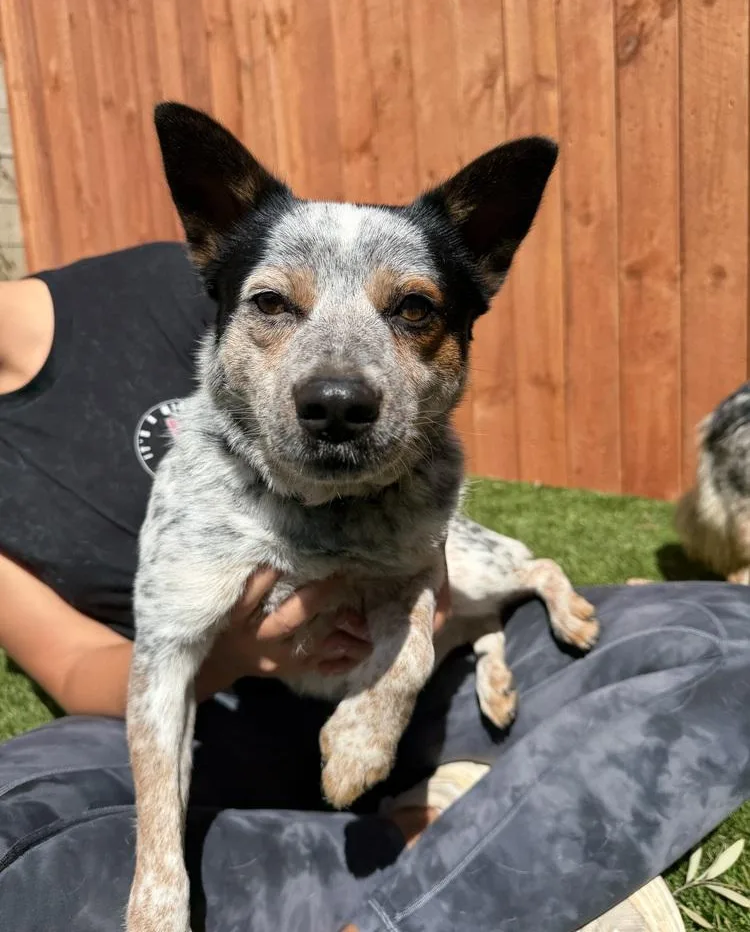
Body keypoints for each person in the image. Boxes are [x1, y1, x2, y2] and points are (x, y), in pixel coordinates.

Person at [0, 243, 749, 932]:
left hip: (421, 670)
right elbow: (72, 665)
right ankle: (456, 837)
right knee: (21, 855)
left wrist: (420, 595)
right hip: (211, 722)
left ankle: (391, 860)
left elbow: (403, 395)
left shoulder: (205, 276)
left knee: (733, 641)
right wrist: (232, 655)